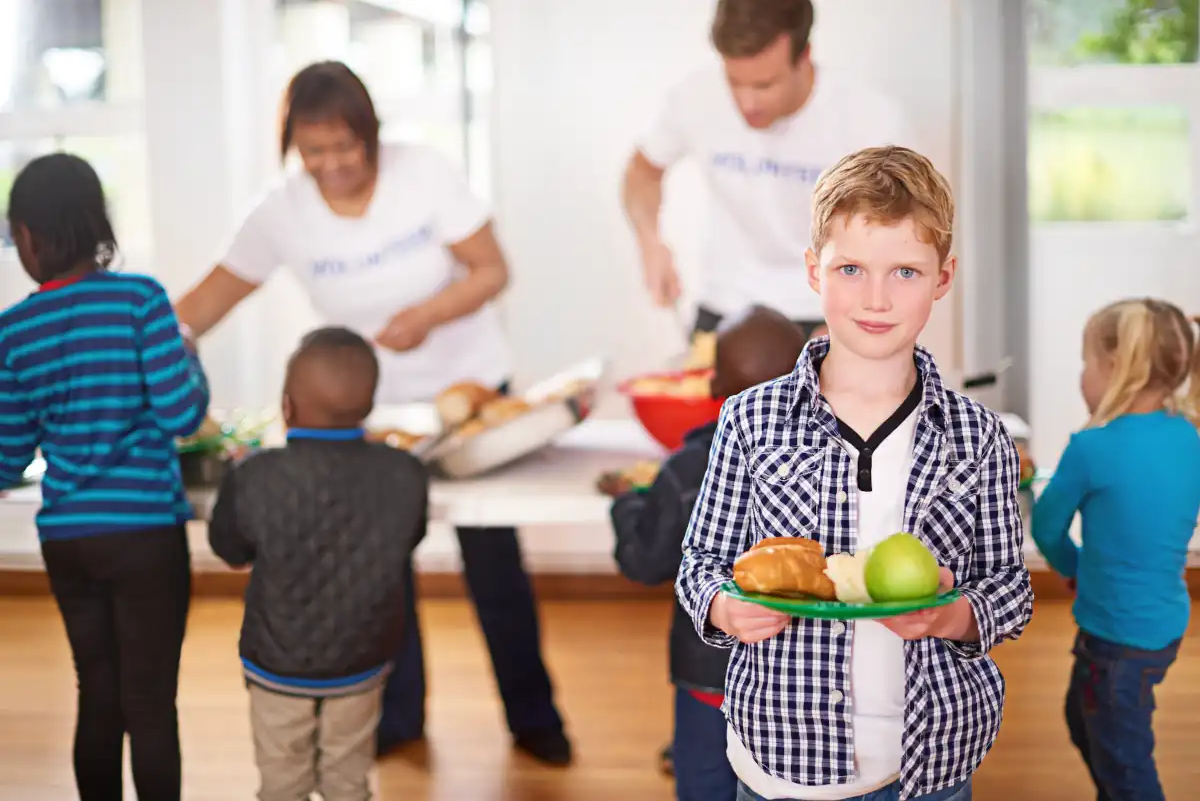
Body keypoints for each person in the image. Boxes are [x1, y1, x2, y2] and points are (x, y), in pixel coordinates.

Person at [173, 60, 571, 765]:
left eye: (344, 147)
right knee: (384, 563)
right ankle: (398, 718)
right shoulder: (280, 213)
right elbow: (199, 308)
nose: (331, 165)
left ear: (371, 135)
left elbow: (492, 270)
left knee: (493, 560)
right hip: (372, 407)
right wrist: (135, 341)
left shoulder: (424, 173)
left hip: (467, 390)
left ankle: (533, 718)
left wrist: (426, 316)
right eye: (313, 151)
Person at [675, 146, 1033, 801]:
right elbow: (700, 561)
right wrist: (725, 607)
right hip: (781, 756)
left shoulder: (979, 436)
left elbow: (1010, 586)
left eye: (904, 271)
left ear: (943, 277)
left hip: (929, 761)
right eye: (850, 268)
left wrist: (954, 616)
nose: (876, 297)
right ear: (814, 271)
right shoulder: (750, 422)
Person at [0, 153, 210, 801]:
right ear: (99, 227)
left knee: (98, 692)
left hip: (69, 539)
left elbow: (7, 459)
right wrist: (188, 354)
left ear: (28, 238)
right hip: (146, 534)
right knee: (150, 700)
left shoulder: (14, 332)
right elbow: (181, 414)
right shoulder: (140, 300)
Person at [208, 326, 428, 801]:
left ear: (286, 406)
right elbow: (407, 539)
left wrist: (239, 476)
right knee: (348, 777)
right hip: (363, 659)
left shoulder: (254, 474)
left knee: (283, 778)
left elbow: (231, 550)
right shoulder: (404, 472)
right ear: (369, 406)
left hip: (276, 662)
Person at [602, 305, 807, 801]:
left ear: (714, 388)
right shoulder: (832, 460)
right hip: (800, 679)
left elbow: (643, 561)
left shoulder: (687, 469)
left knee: (706, 782)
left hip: (709, 677)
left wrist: (628, 503)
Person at [623, 0, 910, 340]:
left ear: (804, 57)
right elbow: (643, 172)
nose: (747, 104)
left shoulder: (870, 121)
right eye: (734, 82)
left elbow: (904, 234)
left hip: (826, 312)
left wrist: (857, 314)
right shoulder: (695, 96)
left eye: (764, 86)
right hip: (725, 310)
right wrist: (649, 241)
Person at [1031, 298, 1200, 801]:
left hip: (1115, 638)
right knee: (1091, 724)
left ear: (1115, 369)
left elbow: (1045, 529)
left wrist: (1072, 567)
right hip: (1161, 625)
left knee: (1124, 763)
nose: (1082, 375)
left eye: (1087, 363)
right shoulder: (1188, 436)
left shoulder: (1091, 448)